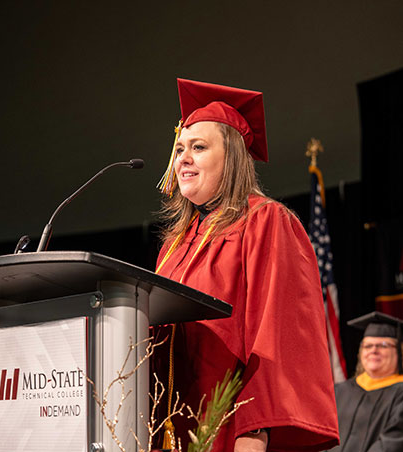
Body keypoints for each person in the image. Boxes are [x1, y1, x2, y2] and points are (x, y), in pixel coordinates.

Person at [152, 78, 339, 452]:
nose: (183, 159)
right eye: (179, 149)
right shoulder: (174, 246)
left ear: (233, 156)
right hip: (168, 431)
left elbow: (276, 339)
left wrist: (254, 435)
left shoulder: (266, 222)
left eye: (199, 147)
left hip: (229, 429)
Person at [328, 311, 403, 452]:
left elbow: (392, 444)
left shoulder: (400, 393)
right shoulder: (339, 391)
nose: (374, 350)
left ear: (399, 352)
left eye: (383, 345)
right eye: (367, 346)